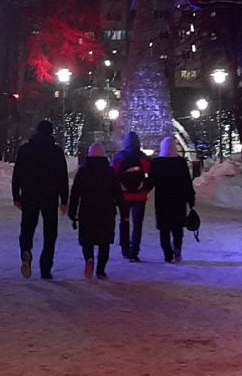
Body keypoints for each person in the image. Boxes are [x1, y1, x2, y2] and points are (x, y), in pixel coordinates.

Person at [11, 120, 69, 280]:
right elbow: (62, 177)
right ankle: (45, 268)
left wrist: (16, 196)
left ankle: (26, 250)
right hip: (50, 197)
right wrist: (64, 200)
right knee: (50, 233)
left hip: (29, 195)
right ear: (51, 132)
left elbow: (17, 175)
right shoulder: (56, 151)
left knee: (27, 228)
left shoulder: (25, 150)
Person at [68, 142, 124, 280]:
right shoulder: (110, 172)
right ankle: (100, 270)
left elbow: (75, 194)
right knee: (104, 242)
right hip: (106, 211)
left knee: (87, 240)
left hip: (86, 211)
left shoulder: (83, 172)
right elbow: (118, 193)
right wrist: (124, 211)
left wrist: (72, 212)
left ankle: (89, 259)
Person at [148, 137, 194, 263]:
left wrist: (140, 190)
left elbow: (151, 181)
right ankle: (177, 250)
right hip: (178, 200)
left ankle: (167, 254)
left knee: (164, 229)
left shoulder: (156, 163)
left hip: (162, 200)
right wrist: (191, 200)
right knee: (177, 228)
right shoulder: (181, 162)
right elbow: (187, 183)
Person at [111, 131, 152, 261]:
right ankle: (134, 252)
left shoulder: (119, 157)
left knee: (124, 221)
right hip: (140, 196)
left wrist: (118, 191)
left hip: (124, 196)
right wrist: (145, 189)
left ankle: (125, 248)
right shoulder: (143, 158)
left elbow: (112, 176)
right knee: (138, 224)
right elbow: (149, 177)